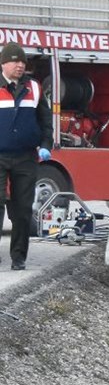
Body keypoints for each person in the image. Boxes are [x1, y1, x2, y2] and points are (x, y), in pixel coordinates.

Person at [0, 43, 52, 271]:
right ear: (3, 64)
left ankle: (18, 257)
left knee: (22, 210)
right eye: (15, 61)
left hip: (26, 157)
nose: (20, 65)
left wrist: (45, 144)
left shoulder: (34, 87)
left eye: (23, 61)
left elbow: (46, 121)